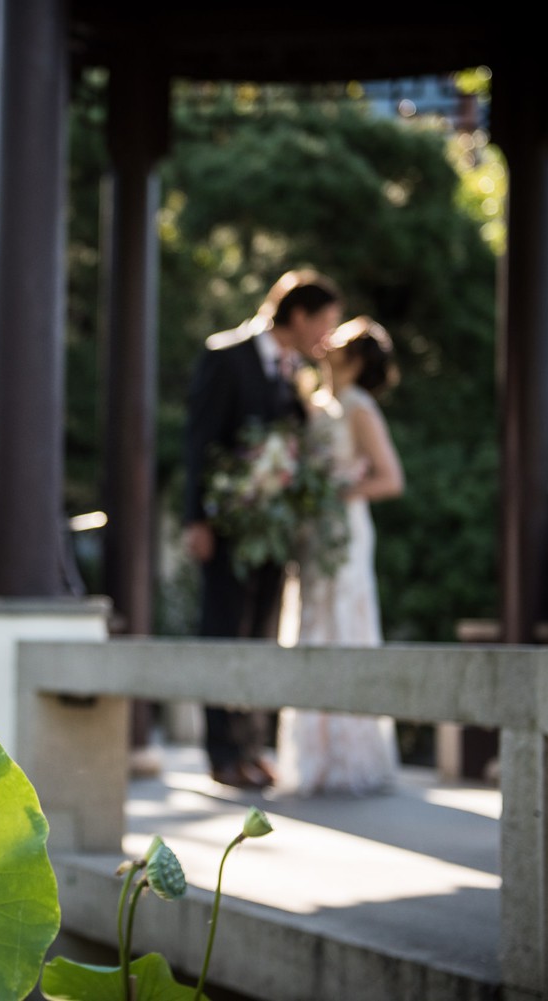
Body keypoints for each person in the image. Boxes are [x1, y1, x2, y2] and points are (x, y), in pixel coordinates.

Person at [182, 269, 342, 790]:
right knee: (223, 632)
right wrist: (196, 518)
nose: (328, 335)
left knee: (263, 635)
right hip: (227, 527)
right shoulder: (225, 355)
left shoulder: (296, 373)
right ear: (297, 316)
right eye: (324, 322)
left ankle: (251, 747)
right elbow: (199, 440)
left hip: (275, 533)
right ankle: (221, 753)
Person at [275, 316, 404, 797]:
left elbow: (391, 479)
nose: (327, 344)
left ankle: (350, 757)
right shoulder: (318, 404)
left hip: (344, 533)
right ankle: (315, 758)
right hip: (313, 533)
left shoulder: (359, 408)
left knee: (343, 625)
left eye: (340, 340)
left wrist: (336, 490)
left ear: (354, 358)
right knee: (311, 624)